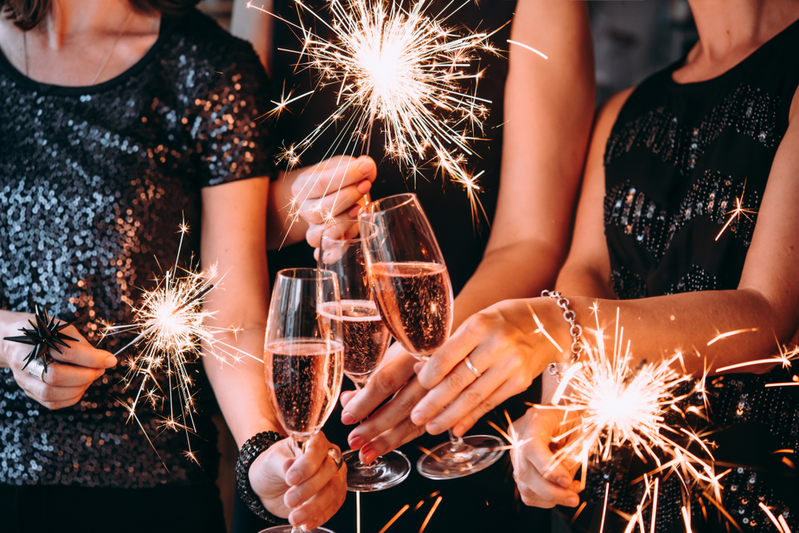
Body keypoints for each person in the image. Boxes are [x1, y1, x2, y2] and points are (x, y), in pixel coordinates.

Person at [391, 0, 799, 531]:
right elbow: (585, 276)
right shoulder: (623, 114)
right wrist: (556, 411)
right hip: (613, 502)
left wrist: (561, 325)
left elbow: (767, 320)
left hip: (758, 496)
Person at [237, 0, 596, 530]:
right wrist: (295, 206)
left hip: (461, 399)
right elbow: (227, 212)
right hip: (293, 406)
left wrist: (435, 366)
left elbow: (533, 239)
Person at [0, 1, 345, 531]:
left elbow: (233, 315)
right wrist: (7, 339)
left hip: (157, 496)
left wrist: (264, 454)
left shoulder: (208, 68)